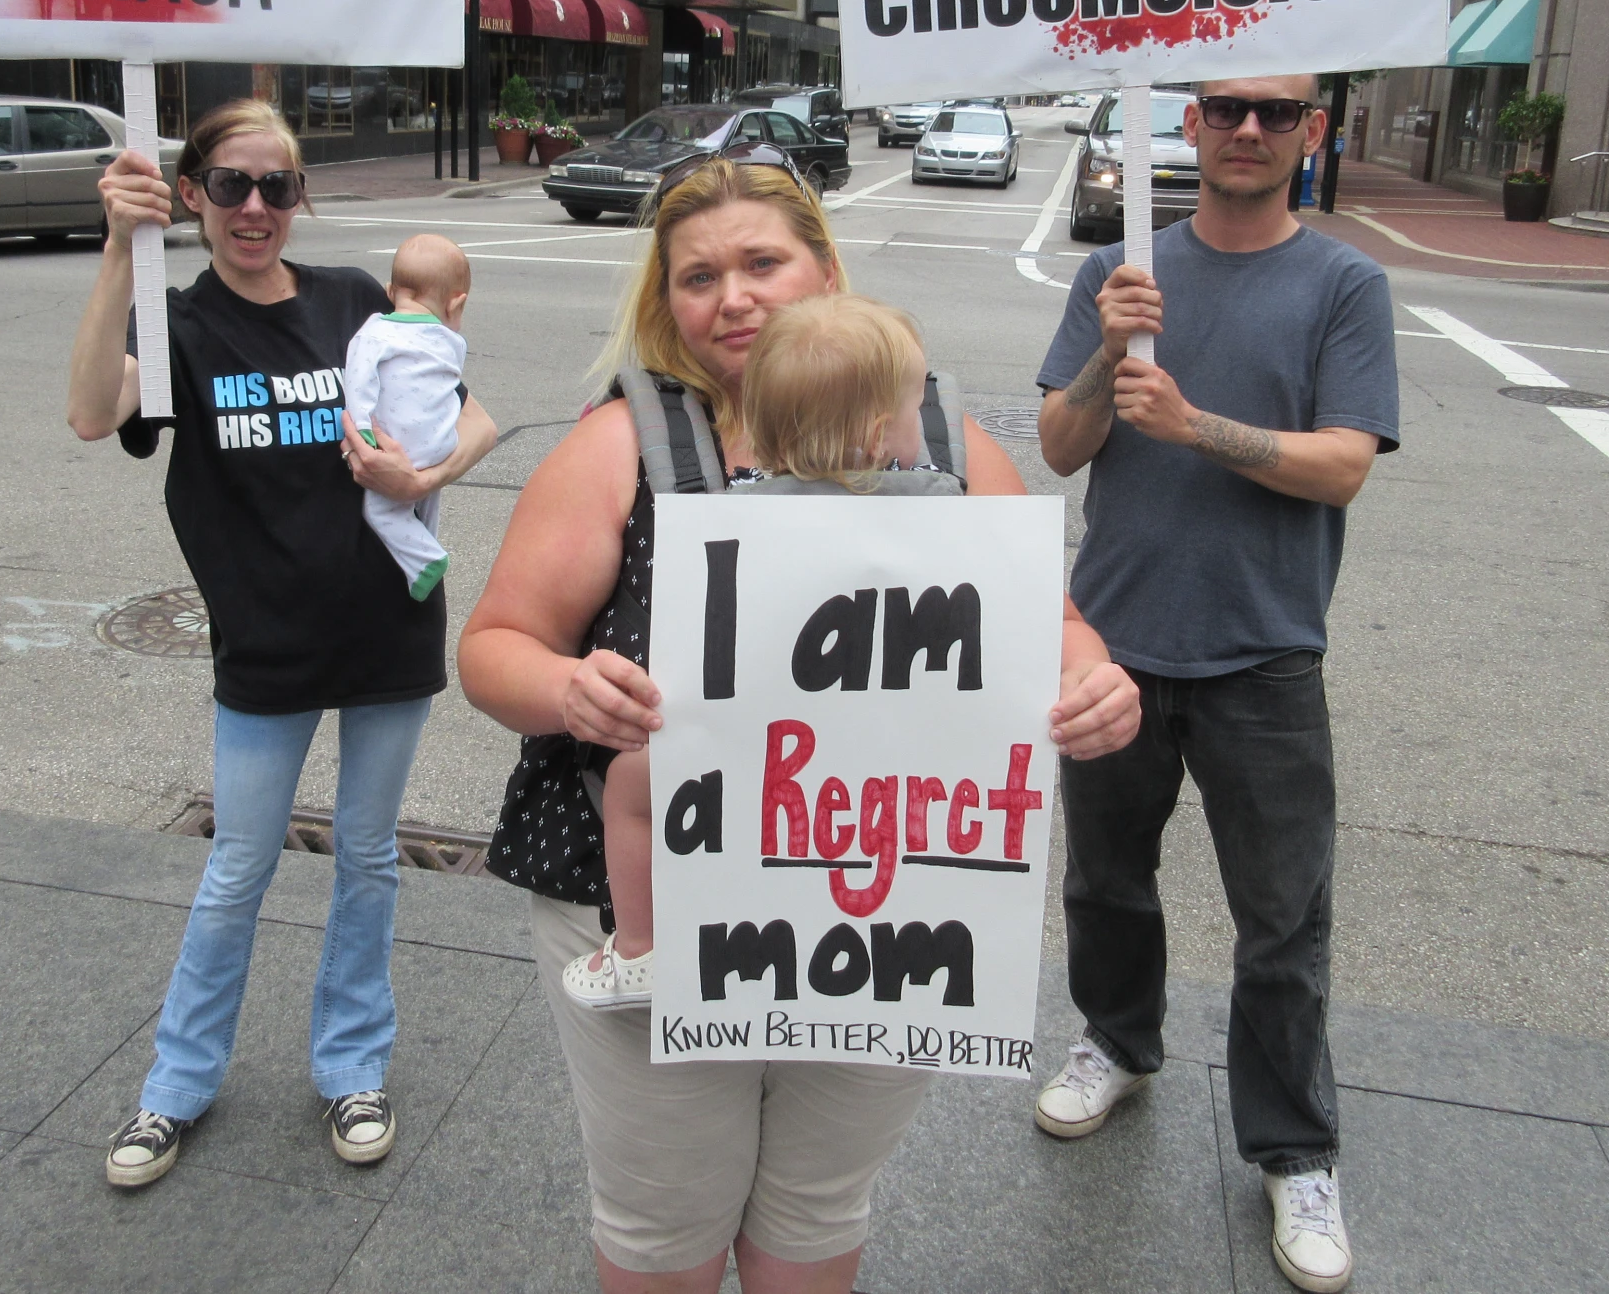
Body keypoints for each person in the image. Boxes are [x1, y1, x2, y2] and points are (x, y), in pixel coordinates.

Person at [459, 150, 1142, 1294]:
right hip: (654, 923)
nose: (731, 296)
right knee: (661, 1234)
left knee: (817, 1215)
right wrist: (568, 689)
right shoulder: (623, 442)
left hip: (885, 918)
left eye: (760, 262)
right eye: (695, 276)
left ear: (823, 269)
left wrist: (1093, 680)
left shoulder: (932, 436)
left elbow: (1047, 619)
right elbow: (491, 649)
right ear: (662, 301)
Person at [64, 99, 498, 1189]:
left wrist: (426, 476)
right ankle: (174, 1087)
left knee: (365, 862)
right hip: (264, 648)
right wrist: (119, 246)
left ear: (300, 199)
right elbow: (87, 412)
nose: (254, 208)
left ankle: (352, 1066)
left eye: (277, 188)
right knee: (237, 870)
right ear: (194, 195)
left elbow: (475, 416)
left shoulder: (358, 300)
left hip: (387, 627)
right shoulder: (177, 329)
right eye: (230, 187)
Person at [1033, 76, 1400, 1294]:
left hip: (1264, 656)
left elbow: (1342, 465)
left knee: (1282, 927)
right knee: (1103, 885)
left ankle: (1294, 1149)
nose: (1249, 129)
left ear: (1313, 135)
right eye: (1226, 107)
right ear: (1184, 127)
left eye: (1277, 114)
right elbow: (1058, 444)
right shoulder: (1116, 276)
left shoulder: (1342, 285)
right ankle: (1115, 1044)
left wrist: (1195, 426)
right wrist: (1103, 354)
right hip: (1117, 646)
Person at [558, 293, 963, 1012]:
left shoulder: (732, 511)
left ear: (768, 438)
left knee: (631, 789)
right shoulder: (950, 509)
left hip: (753, 751)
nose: (924, 429)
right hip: (889, 756)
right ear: (878, 437)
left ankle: (643, 951)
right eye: (913, 415)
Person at [343, 234, 473, 601]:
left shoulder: (376, 332)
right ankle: (426, 541)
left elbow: (358, 381)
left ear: (389, 290)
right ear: (456, 304)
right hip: (442, 442)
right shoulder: (450, 342)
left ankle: (424, 560)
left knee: (381, 510)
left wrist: (364, 430)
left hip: (401, 444)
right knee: (425, 496)